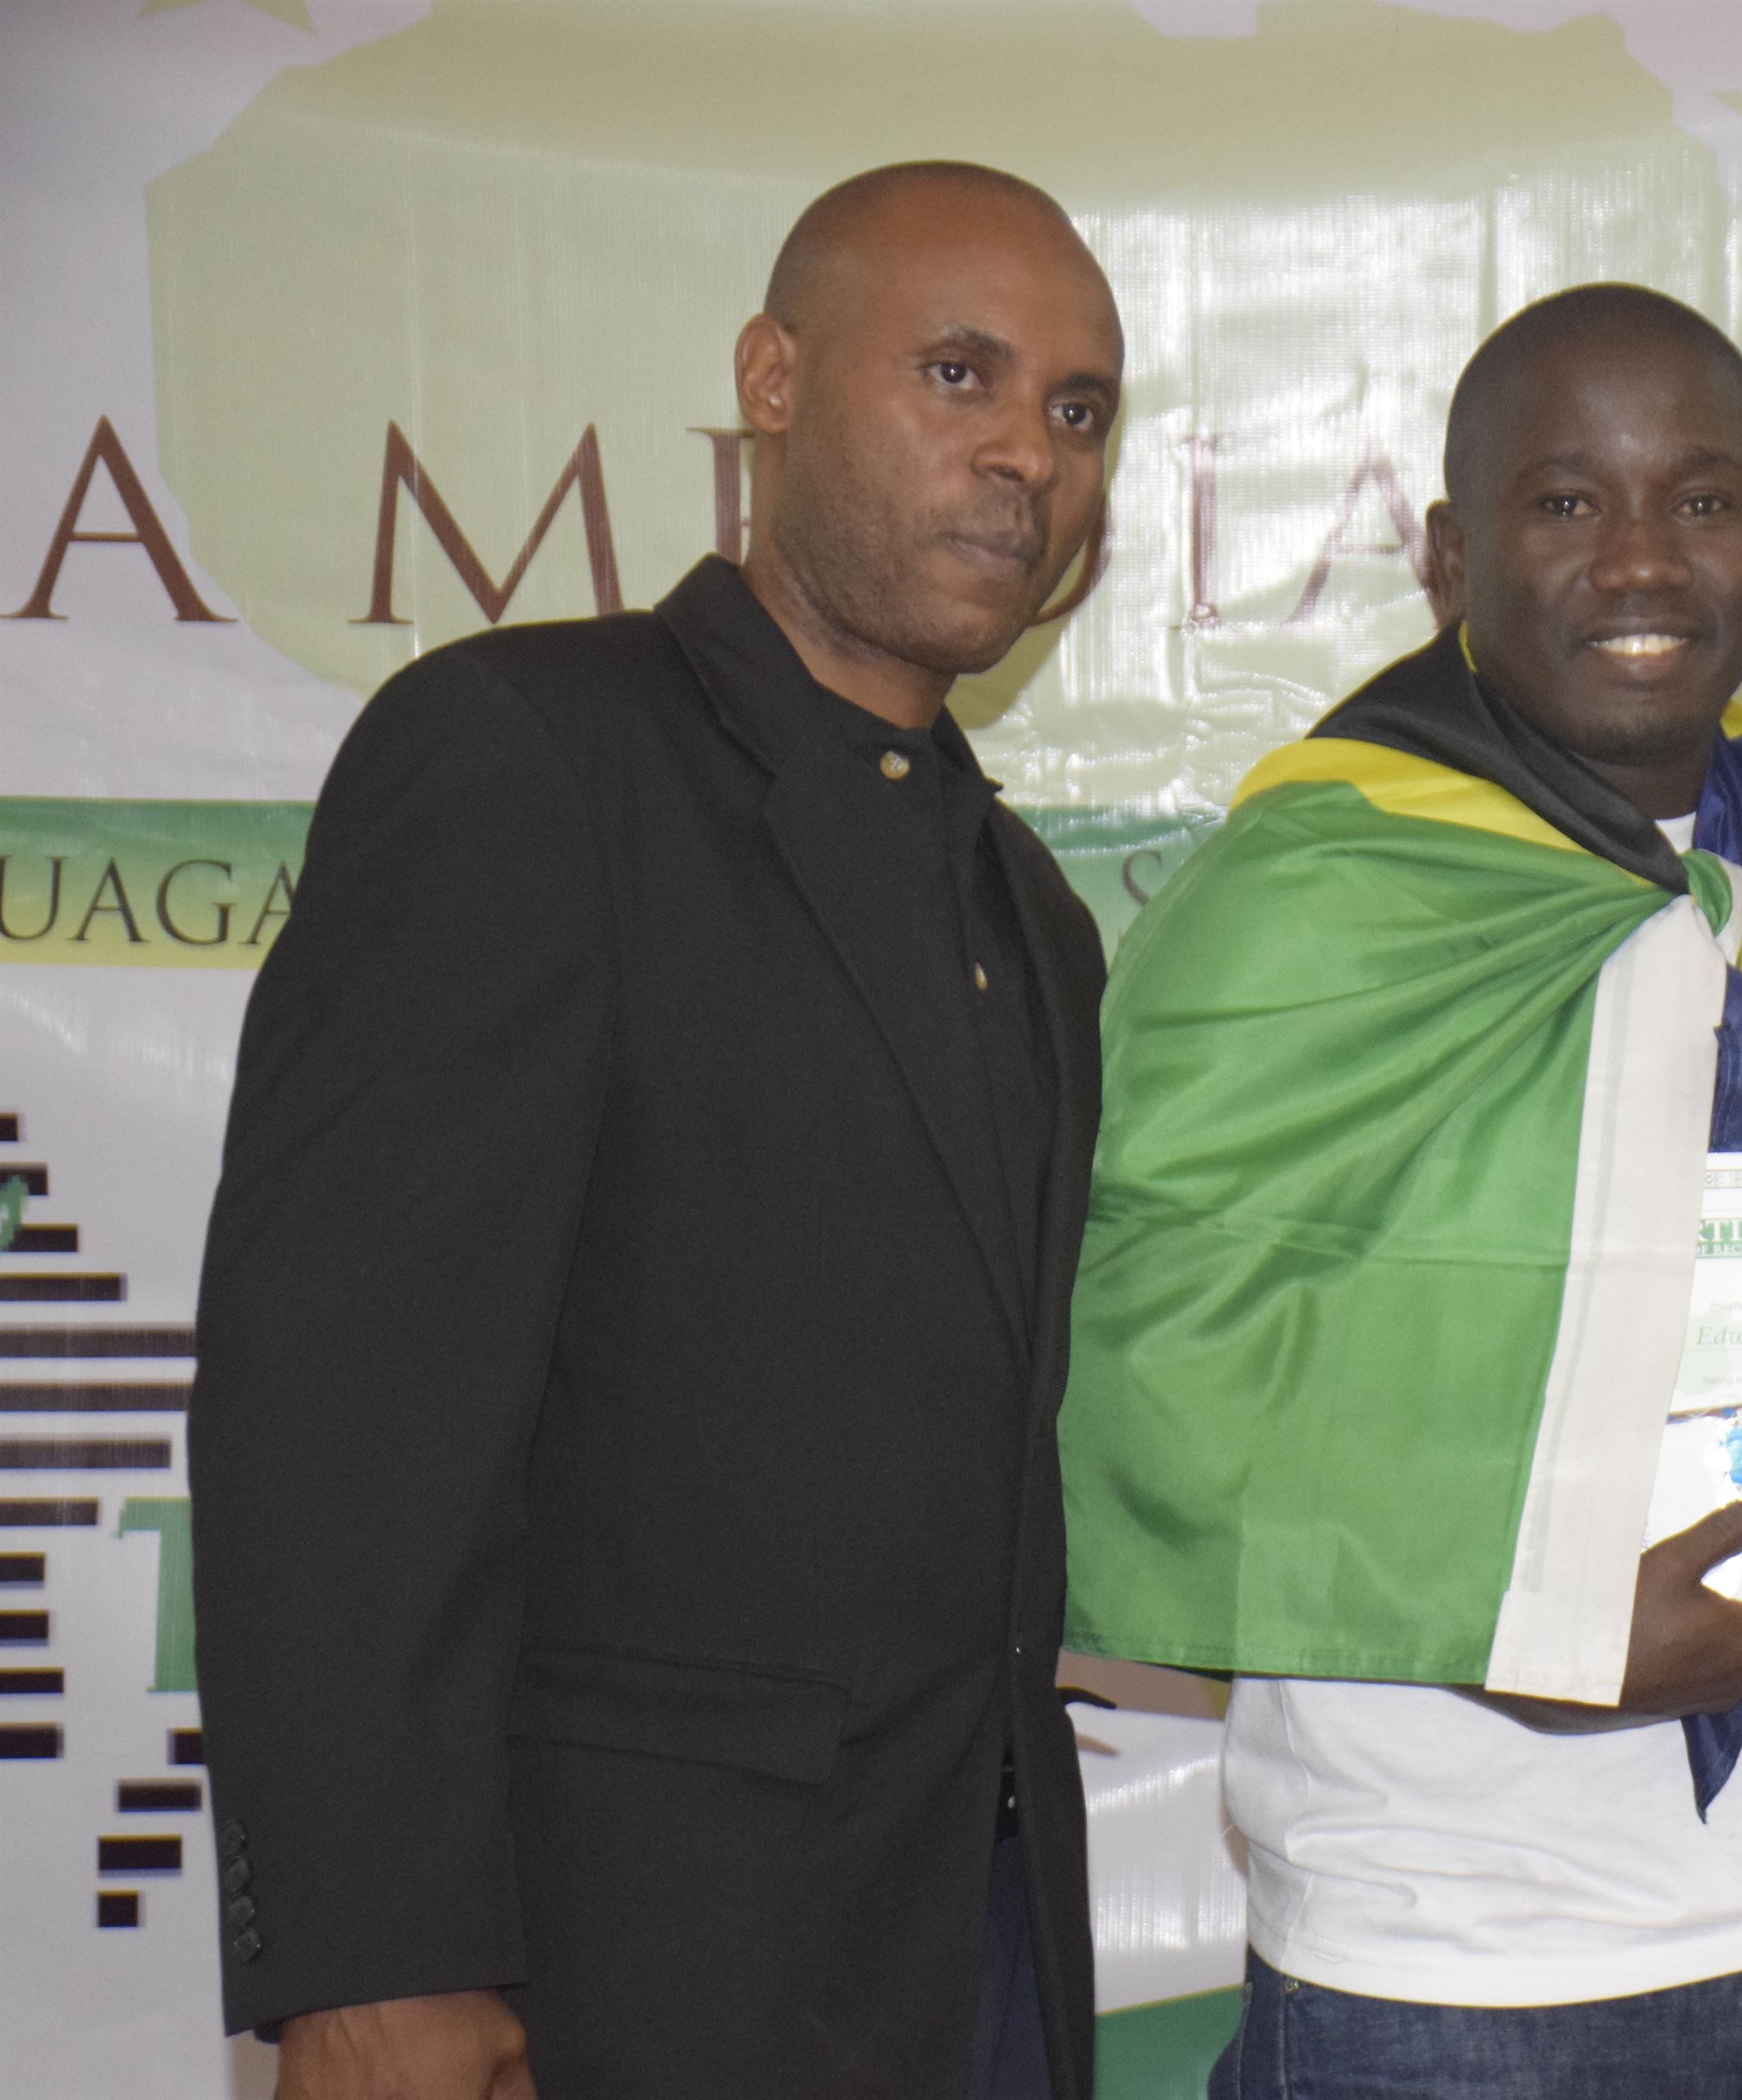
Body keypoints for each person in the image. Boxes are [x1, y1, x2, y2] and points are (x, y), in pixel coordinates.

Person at [189, 162, 1123, 2100]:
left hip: (967, 1954)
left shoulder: (1028, 908)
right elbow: (346, 1402)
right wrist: (374, 1961)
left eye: (1077, 408)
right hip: (610, 1966)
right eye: (959, 374)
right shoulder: (531, 753)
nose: (1026, 454)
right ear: (772, 379)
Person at [1058, 285, 1742, 2100]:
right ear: (1450, 554)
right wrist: (1533, 1624)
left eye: (1700, 501)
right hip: (1456, 1963)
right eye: (1566, 502)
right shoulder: (1302, 901)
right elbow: (1156, 1372)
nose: (1641, 558)